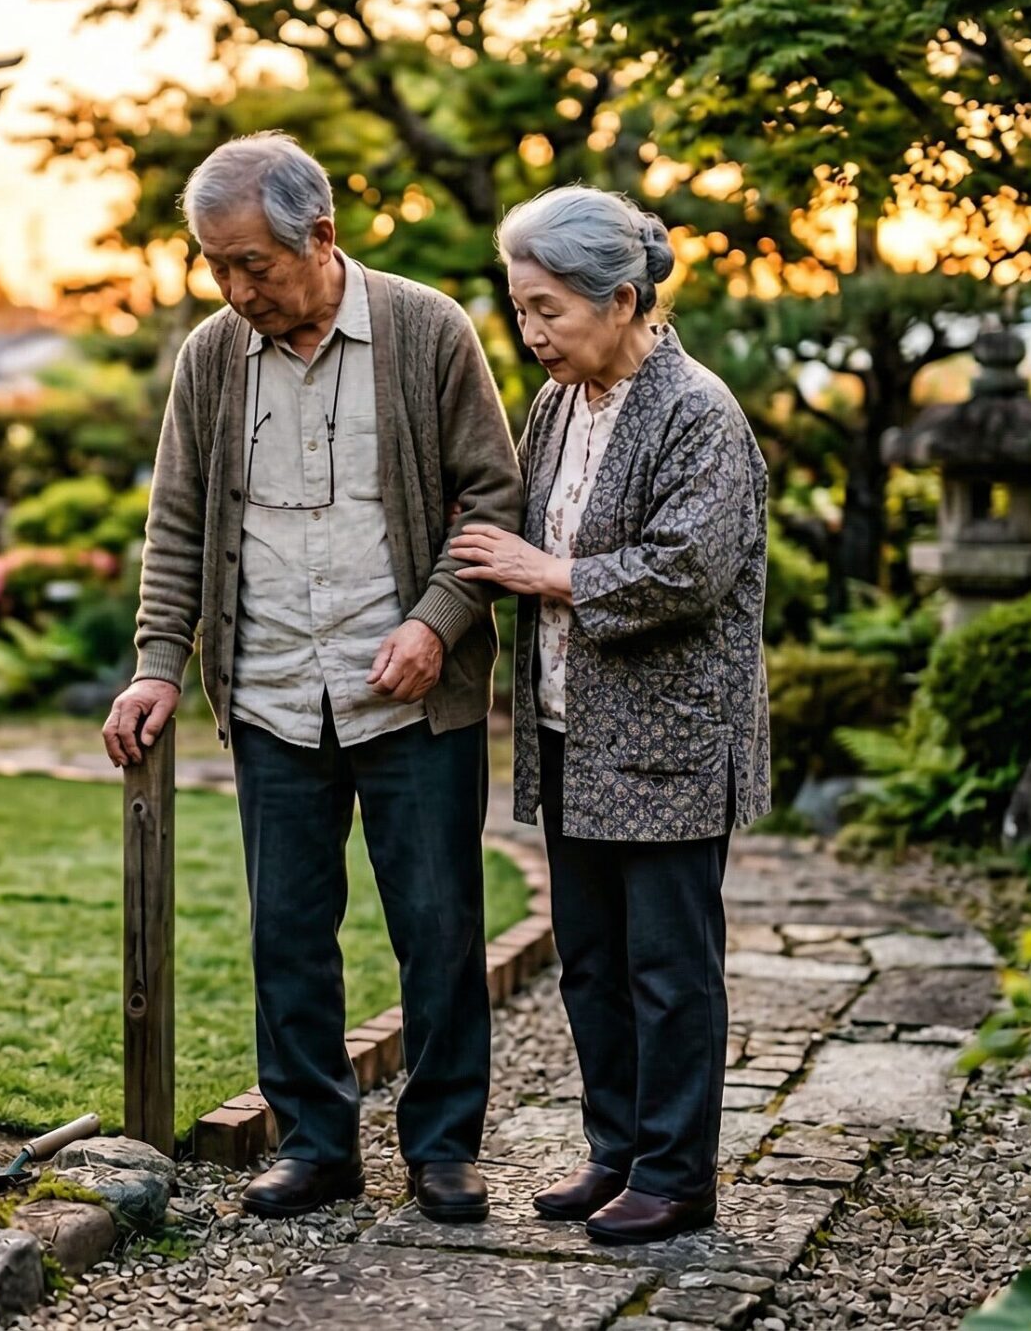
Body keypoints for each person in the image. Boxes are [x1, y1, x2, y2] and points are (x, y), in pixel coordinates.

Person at [101, 133, 522, 1223]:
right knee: (285, 927)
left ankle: (441, 1147)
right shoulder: (209, 356)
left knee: (436, 926)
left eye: (253, 264)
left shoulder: (428, 330)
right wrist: (156, 665)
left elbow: (492, 499)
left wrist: (438, 623)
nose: (235, 288)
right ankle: (315, 1141)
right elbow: (178, 523)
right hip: (273, 690)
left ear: (321, 237)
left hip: (410, 694)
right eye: (215, 264)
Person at [448, 184, 770, 1246]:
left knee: (669, 971)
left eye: (548, 309)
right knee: (588, 957)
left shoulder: (696, 410)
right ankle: (615, 1151)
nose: (529, 330)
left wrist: (546, 572)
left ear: (622, 299)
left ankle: (677, 1174)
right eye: (520, 306)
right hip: (567, 729)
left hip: (670, 740)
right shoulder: (557, 405)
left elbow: (689, 569)